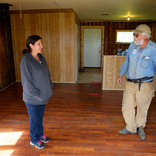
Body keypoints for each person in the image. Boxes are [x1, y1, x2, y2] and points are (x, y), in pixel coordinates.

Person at [117, 24, 156, 140]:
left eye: (137, 34)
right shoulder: (132, 46)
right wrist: (121, 74)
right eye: (134, 34)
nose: (134, 36)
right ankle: (130, 127)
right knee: (126, 106)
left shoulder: (154, 49)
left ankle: (140, 127)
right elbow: (127, 61)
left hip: (145, 84)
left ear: (145, 36)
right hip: (130, 82)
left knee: (142, 108)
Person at [20, 35, 53, 149]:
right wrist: (38, 94)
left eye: (41, 43)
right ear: (31, 45)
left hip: (42, 96)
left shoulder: (41, 57)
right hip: (32, 98)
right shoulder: (26, 60)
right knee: (34, 119)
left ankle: (40, 134)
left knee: (40, 117)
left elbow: (47, 73)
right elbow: (27, 83)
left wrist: (50, 86)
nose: (41, 46)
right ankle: (33, 139)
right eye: (39, 44)